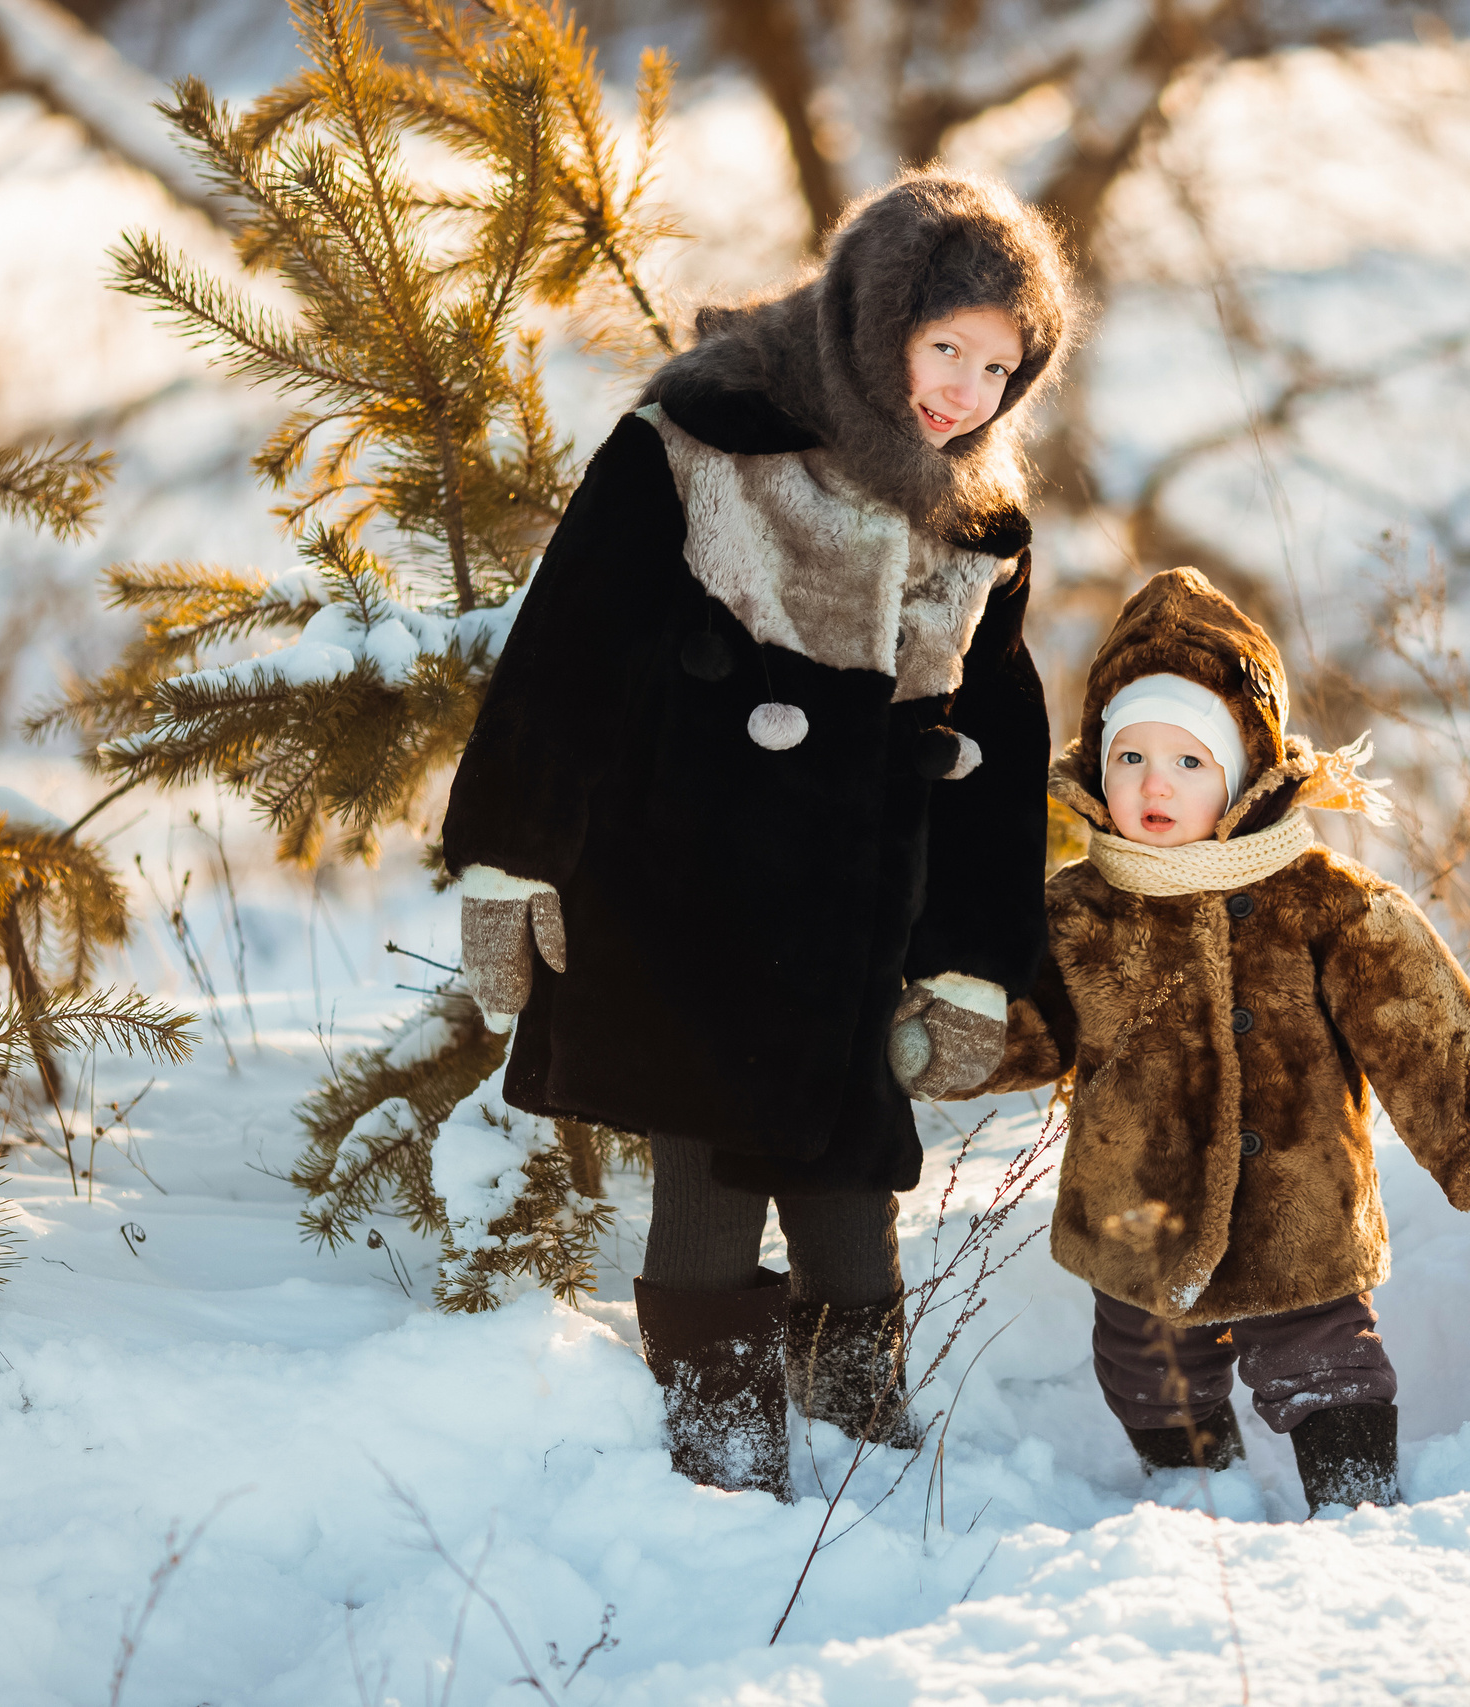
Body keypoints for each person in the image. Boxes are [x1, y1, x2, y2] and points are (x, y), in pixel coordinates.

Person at [439, 171, 1078, 1499]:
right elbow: (568, 646)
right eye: (945, 345)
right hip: (684, 889)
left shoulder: (979, 519)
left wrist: (972, 962)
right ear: (881, 315)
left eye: (999, 368)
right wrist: (509, 856)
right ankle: (722, 1460)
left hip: (855, 921)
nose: (965, 390)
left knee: (851, 1196)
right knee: (707, 1176)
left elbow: (998, 756)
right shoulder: (707, 434)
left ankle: (860, 1457)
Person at [903, 567, 1470, 1514]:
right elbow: (1033, 1021)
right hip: (1137, 1210)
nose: (1153, 783)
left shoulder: (1323, 900)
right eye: (1129, 756)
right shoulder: (1081, 909)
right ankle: (1197, 1495)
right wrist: (951, 1045)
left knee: (1328, 1362)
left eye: (1189, 761)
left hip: (1299, 1206)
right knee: (1145, 1371)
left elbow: (1417, 1021)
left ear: (1243, 773)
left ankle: (1358, 1503)